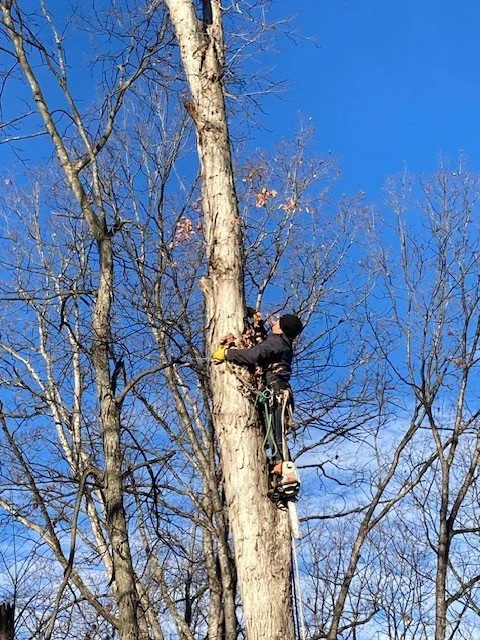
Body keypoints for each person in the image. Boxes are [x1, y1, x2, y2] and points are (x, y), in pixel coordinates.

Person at [212, 313, 303, 477]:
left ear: (282, 329)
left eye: (278, 323)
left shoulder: (277, 342)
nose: (274, 324)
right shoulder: (281, 343)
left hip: (276, 393)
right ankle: (279, 470)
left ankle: (282, 471)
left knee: (276, 437)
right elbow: (265, 345)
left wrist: (227, 354)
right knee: (274, 435)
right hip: (276, 391)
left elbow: (254, 355)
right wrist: (257, 324)